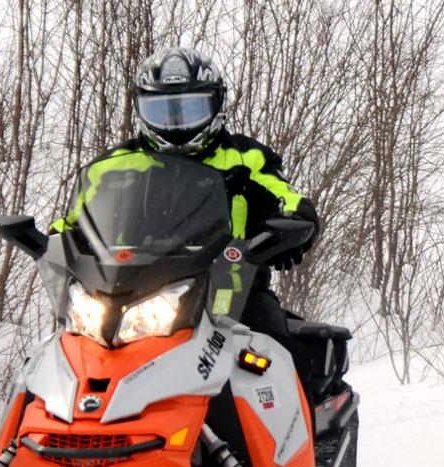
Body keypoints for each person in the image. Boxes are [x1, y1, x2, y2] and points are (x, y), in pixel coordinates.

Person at [50, 47, 345, 405]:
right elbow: (73, 223)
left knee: (282, 359)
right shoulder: (113, 167)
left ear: (216, 104)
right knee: (57, 363)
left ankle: (302, 437)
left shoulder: (245, 158)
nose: (176, 124)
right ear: (141, 110)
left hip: (231, 295)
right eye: (161, 111)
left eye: (190, 109)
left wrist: (294, 225)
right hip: (132, 299)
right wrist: (47, 243)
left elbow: (290, 199)